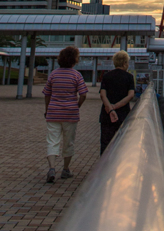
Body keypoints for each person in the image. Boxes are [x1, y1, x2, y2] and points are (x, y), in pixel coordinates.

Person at [42, 45, 88, 183]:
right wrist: (77, 105)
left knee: (52, 140)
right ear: (74, 60)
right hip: (70, 113)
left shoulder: (53, 74)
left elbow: (47, 94)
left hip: (53, 113)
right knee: (69, 142)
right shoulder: (76, 75)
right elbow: (83, 94)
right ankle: (65, 169)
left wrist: (47, 109)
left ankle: (51, 168)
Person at [99, 50, 135, 154]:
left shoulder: (106, 76)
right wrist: (116, 106)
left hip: (106, 115)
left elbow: (102, 95)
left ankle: (103, 168)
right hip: (123, 115)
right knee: (121, 144)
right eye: (127, 62)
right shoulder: (129, 77)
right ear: (124, 63)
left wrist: (110, 109)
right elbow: (131, 95)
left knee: (105, 144)